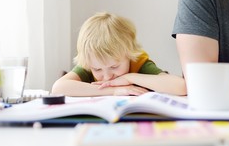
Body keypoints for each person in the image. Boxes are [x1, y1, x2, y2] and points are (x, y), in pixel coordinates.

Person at [52, 12, 186, 96]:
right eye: (97, 69)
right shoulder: (89, 64)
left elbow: (181, 87)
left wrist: (130, 78)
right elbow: (58, 88)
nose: (107, 76)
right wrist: (113, 91)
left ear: (129, 55)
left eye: (114, 67)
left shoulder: (137, 63)